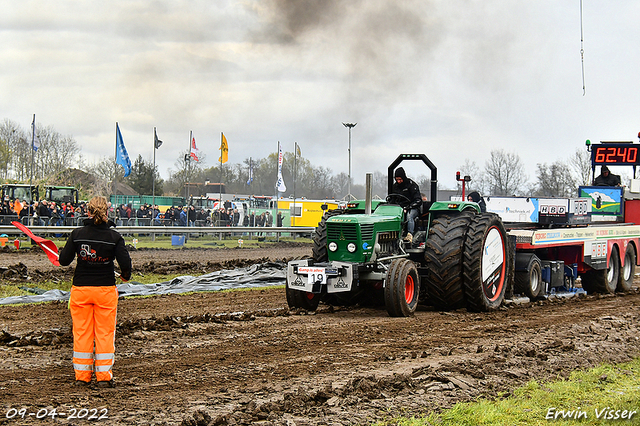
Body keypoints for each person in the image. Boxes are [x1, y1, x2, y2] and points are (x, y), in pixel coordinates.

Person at [59, 196, 131, 388]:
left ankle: (82, 377)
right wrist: (124, 276)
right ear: (107, 212)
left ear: (88, 212)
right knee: (104, 334)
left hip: (81, 289)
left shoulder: (77, 234)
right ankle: (104, 378)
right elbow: (126, 265)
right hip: (105, 290)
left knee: (82, 333)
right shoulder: (114, 237)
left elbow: (64, 260)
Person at [391, 167, 422, 243]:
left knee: (409, 216)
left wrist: (409, 207)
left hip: (413, 207)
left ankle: (409, 234)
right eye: (397, 179)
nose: (399, 181)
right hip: (399, 208)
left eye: (400, 179)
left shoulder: (411, 185)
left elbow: (418, 200)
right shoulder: (395, 187)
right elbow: (393, 198)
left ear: (403, 177)